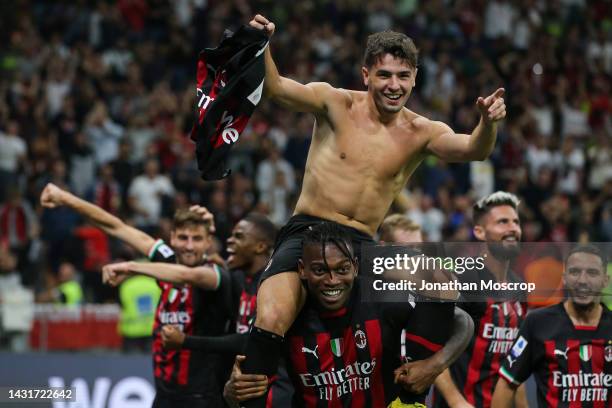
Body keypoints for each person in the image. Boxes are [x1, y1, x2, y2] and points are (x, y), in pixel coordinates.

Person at [241, 14, 507, 406]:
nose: (394, 85)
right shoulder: (335, 102)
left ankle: (408, 393)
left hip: (363, 245)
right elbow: (277, 89)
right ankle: (247, 400)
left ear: (415, 77)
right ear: (366, 74)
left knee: (441, 282)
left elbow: (474, 149)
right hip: (308, 232)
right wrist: (261, 44)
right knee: (272, 316)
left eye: (403, 75)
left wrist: (487, 123)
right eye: (384, 75)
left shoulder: (422, 131)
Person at [225, 222, 475, 407]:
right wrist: (230, 393)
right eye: (320, 270)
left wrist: (435, 365)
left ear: (356, 267)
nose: (332, 280)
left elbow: (461, 320)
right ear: (302, 270)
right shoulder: (286, 316)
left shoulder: (383, 300)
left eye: (342, 269)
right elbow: (245, 388)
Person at [40, 182, 231, 408]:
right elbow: (115, 226)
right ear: (172, 238)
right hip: (163, 396)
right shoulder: (165, 257)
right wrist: (64, 198)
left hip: (203, 398)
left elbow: (187, 276)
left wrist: (132, 267)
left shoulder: (214, 275)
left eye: (197, 239)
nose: (189, 246)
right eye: (183, 238)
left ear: (208, 242)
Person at [433, 192, 528, 407]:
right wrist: (456, 402)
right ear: (479, 231)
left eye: (516, 221)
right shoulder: (462, 278)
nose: (512, 228)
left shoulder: (520, 287)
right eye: (502, 222)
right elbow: (432, 346)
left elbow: (515, 363)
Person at [492, 244, 611, 408]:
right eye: (575, 272)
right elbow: (507, 383)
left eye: (592, 273)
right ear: (564, 278)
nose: (583, 280)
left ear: (605, 280)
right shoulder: (538, 323)